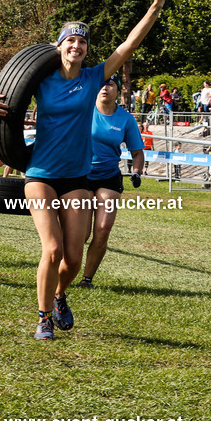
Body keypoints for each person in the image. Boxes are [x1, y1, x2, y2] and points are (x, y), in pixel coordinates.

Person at [0, 0, 168, 341]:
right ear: (59, 46)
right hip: (41, 173)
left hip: (77, 179)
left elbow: (129, 45)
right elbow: (5, 94)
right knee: (51, 249)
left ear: (86, 50)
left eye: (82, 42)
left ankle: (61, 295)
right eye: (70, 41)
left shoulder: (95, 77)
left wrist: (156, 6)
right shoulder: (42, 81)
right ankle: (43, 316)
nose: (76, 47)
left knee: (74, 258)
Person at [75, 74, 144, 289]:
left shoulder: (126, 119)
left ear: (118, 91)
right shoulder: (83, 110)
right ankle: (66, 270)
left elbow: (137, 153)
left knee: (103, 229)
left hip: (109, 177)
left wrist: (137, 171)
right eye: (102, 84)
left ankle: (87, 279)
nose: (105, 88)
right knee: (82, 232)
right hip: (81, 176)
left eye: (110, 84)